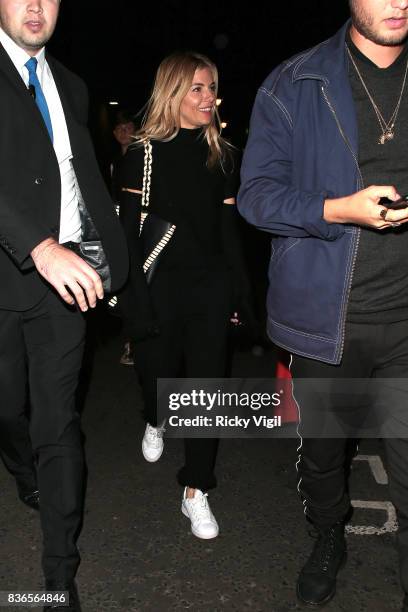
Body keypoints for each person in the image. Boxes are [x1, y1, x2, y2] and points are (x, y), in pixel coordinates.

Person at [238, 0, 408, 609]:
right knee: (325, 457)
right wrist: (340, 209)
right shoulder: (296, 81)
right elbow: (256, 197)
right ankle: (329, 535)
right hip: (328, 320)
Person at [0, 1, 127, 610]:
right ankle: (21, 467)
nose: (33, 6)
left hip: (66, 283)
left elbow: (81, 177)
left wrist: (116, 259)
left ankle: (59, 573)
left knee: (59, 426)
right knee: (7, 410)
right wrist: (37, 245)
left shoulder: (72, 85)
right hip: (7, 277)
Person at [119, 51, 248, 540]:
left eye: (212, 87)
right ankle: (155, 416)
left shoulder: (223, 154)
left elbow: (228, 230)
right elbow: (129, 236)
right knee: (157, 374)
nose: (208, 97)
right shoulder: (142, 154)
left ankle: (197, 488)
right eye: (197, 88)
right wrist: (135, 302)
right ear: (172, 92)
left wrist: (241, 293)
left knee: (206, 387)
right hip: (160, 284)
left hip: (210, 286)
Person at [109, 110, 137, 366]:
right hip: (120, 227)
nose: (123, 132)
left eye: (127, 126)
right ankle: (130, 342)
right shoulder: (114, 161)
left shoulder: (145, 156)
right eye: (118, 128)